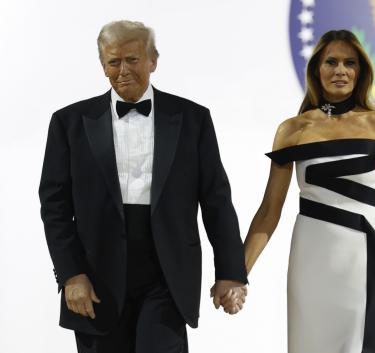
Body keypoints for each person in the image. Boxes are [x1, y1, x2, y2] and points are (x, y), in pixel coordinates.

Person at [38, 20, 247, 353]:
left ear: (153, 60)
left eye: (132, 59)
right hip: (96, 275)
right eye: (113, 61)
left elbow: (216, 200)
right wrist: (70, 274)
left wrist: (231, 271)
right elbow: (55, 206)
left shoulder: (192, 119)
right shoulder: (69, 122)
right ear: (102, 64)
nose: (122, 70)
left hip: (168, 271)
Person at [243, 29, 375, 353]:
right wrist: (238, 274)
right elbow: (269, 211)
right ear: (316, 70)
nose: (340, 70)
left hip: (366, 255)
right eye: (331, 62)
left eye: (349, 63)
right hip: (310, 260)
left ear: (360, 71)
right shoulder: (293, 130)